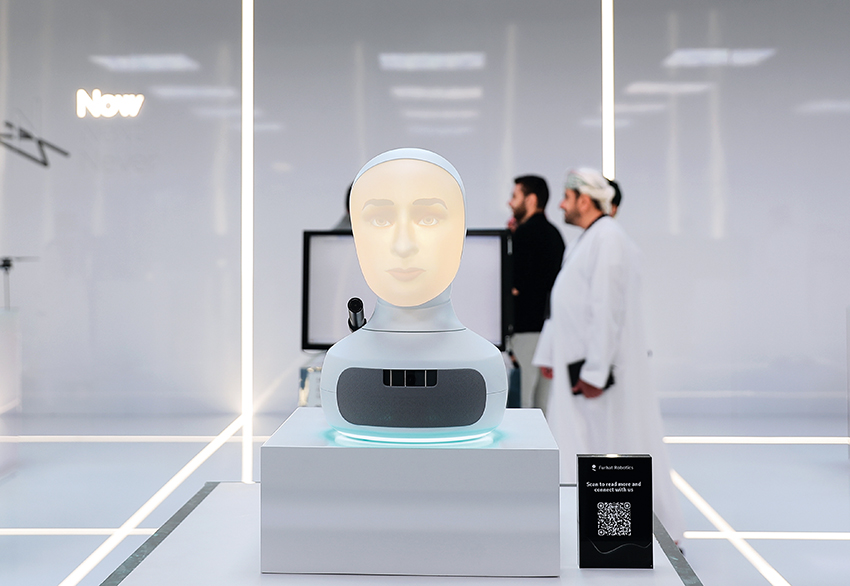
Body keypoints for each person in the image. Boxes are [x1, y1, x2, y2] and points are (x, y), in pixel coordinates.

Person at [533, 168, 684, 542]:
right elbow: (564, 303)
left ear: (585, 200)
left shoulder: (609, 239)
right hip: (576, 369)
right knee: (583, 450)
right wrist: (549, 354)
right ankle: (586, 530)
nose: (561, 205)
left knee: (615, 452)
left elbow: (607, 309)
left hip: (595, 376)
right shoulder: (588, 240)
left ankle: (649, 535)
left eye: (567, 197)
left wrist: (596, 372)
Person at [507, 175, 565, 411]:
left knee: (522, 403)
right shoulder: (555, 235)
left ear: (530, 200)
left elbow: (514, 284)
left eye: (515, 196)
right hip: (550, 331)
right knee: (542, 406)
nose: (510, 203)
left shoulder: (522, 235)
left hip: (525, 332)